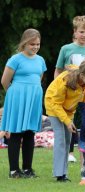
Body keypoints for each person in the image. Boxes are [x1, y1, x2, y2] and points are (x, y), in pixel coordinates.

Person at [0, 28, 47, 178]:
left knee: (29, 133)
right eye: (32, 44)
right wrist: (16, 94)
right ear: (24, 43)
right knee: (16, 133)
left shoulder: (40, 60)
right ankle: (14, 170)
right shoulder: (15, 59)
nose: (35, 47)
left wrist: (32, 93)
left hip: (33, 99)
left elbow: (38, 78)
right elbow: (4, 81)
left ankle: (27, 169)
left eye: (38, 44)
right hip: (17, 98)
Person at [54, 15, 85, 164]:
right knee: (69, 127)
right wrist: (57, 89)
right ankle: (66, 156)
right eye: (81, 32)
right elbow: (58, 71)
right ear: (75, 31)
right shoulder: (66, 49)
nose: (84, 35)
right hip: (69, 96)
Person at [44, 60, 85, 182]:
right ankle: (60, 174)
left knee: (68, 140)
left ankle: (64, 173)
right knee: (61, 139)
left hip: (68, 109)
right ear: (82, 75)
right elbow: (56, 104)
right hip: (54, 106)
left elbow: (84, 102)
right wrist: (68, 122)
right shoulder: (66, 81)